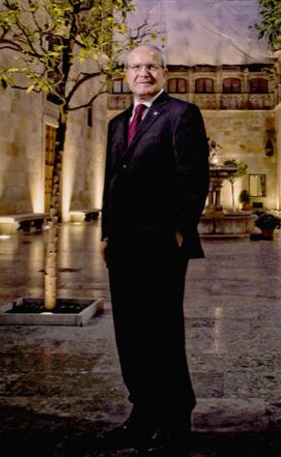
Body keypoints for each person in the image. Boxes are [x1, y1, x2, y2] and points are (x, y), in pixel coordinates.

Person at [101, 44, 209, 455]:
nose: (143, 73)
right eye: (135, 67)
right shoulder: (116, 123)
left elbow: (192, 177)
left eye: (151, 66)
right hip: (124, 245)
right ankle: (142, 412)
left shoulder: (182, 115)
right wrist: (107, 234)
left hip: (161, 243)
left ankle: (175, 418)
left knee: (161, 331)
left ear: (164, 72)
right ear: (125, 74)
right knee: (129, 332)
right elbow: (111, 181)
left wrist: (179, 231)